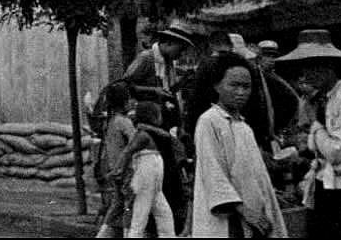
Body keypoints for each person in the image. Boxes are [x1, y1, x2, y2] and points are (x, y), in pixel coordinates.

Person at [192, 51, 286, 238]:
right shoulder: (209, 121)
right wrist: (242, 209)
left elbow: (256, 175)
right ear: (217, 85)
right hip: (230, 216)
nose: (241, 92)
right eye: (234, 85)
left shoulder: (243, 127)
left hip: (253, 214)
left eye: (246, 86)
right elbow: (213, 171)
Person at [276, 29, 341, 238]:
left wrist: (315, 128)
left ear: (327, 67)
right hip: (325, 183)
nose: (306, 75)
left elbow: (336, 151)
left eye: (310, 68)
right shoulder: (323, 99)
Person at [125, 101, 180, 238]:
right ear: (153, 116)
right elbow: (127, 152)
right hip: (146, 172)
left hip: (153, 176)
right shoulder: (143, 134)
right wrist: (119, 171)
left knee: (163, 212)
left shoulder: (149, 132)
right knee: (141, 213)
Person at [123, 24, 196, 128]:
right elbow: (124, 85)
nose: (181, 54)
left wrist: (184, 79)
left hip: (161, 118)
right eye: (181, 49)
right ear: (169, 43)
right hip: (146, 120)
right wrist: (153, 90)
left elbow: (168, 91)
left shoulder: (168, 63)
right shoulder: (146, 58)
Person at [95, 83, 139, 238]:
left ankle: (102, 234)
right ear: (125, 102)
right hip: (127, 170)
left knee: (117, 205)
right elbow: (136, 142)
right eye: (129, 100)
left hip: (115, 170)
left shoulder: (110, 121)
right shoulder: (124, 122)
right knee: (129, 206)